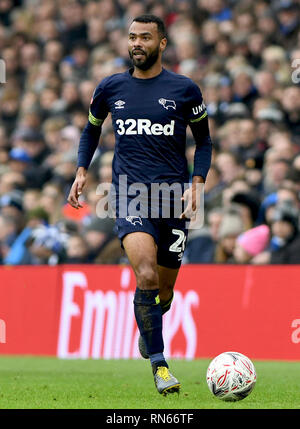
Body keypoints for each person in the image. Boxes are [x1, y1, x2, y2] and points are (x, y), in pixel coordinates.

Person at [67, 15, 212, 395]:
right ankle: (160, 365)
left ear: (161, 44)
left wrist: (197, 183)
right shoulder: (110, 87)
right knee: (145, 274)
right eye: (132, 37)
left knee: (163, 292)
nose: (137, 43)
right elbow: (92, 127)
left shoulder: (184, 89)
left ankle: (151, 322)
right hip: (128, 194)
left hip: (174, 200)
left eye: (145, 37)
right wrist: (82, 169)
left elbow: (205, 142)